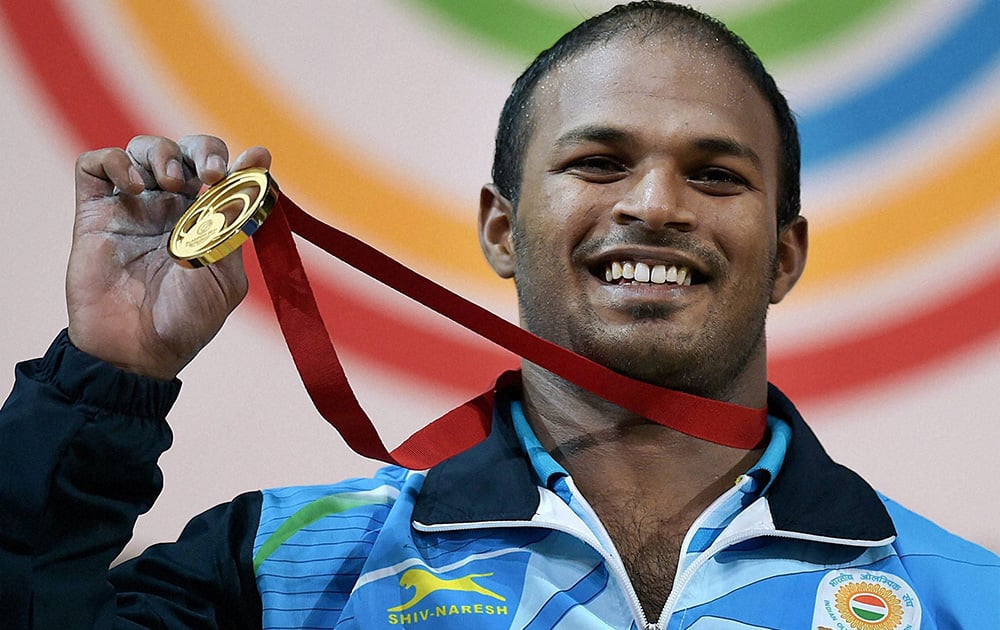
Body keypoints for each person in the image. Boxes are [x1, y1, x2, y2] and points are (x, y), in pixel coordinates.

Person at [1, 2, 997, 628]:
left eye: (714, 173)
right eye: (598, 161)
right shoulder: (284, 572)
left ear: (784, 255)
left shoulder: (965, 597)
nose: (654, 203)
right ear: (498, 228)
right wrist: (108, 372)